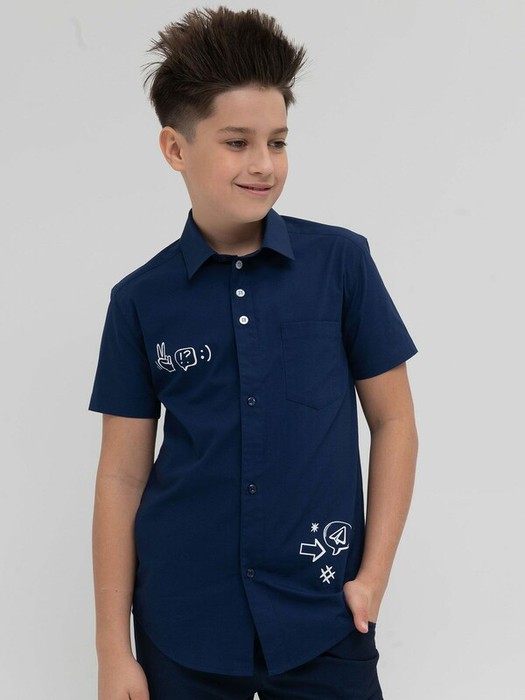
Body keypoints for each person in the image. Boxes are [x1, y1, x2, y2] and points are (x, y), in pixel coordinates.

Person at [89, 6, 418, 699]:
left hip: (325, 614)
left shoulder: (341, 264)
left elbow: (394, 422)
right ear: (175, 149)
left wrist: (372, 579)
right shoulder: (139, 300)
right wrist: (113, 651)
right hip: (183, 625)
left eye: (278, 141)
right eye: (237, 142)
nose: (263, 164)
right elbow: (121, 476)